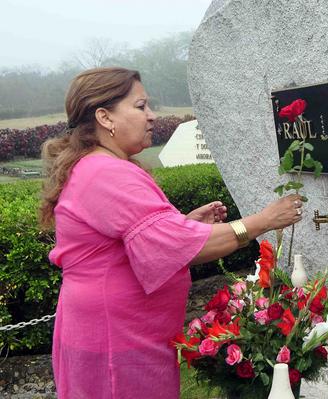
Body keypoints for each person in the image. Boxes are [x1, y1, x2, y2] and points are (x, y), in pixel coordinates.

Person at [39, 67, 303, 398]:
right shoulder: (105, 173)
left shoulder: (98, 167)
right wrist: (263, 220)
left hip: (113, 333)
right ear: (105, 117)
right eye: (140, 107)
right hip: (115, 342)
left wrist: (184, 224)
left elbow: (139, 240)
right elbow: (176, 244)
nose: (151, 117)